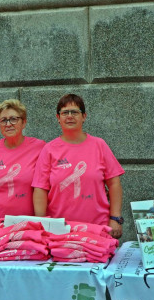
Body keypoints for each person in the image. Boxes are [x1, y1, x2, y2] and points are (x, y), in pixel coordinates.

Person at [32, 94, 125, 238]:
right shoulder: (49, 149)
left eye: (75, 112)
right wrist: (42, 223)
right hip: (59, 230)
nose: (70, 116)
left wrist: (115, 218)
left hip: (98, 228)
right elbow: (40, 189)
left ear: (84, 116)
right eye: (65, 112)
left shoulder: (99, 145)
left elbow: (114, 183)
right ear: (58, 118)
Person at [0, 99, 45, 228]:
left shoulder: (39, 147)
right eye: (3, 120)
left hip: (29, 224)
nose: (8, 124)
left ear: (24, 122)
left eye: (13, 119)